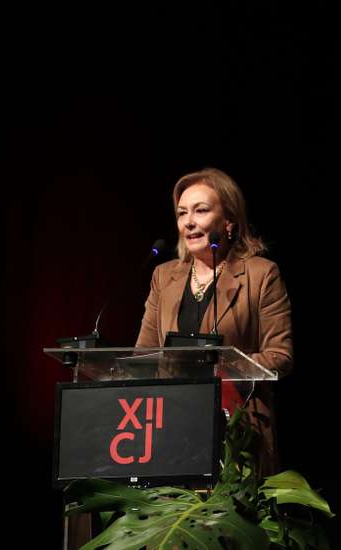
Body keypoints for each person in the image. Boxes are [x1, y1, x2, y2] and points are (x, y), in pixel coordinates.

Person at [135, 167, 292, 475]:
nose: (188, 222)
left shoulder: (261, 275)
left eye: (201, 210)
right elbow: (144, 355)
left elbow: (280, 356)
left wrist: (222, 366)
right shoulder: (164, 276)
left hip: (237, 432)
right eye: (182, 213)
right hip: (170, 429)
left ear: (229, 222)